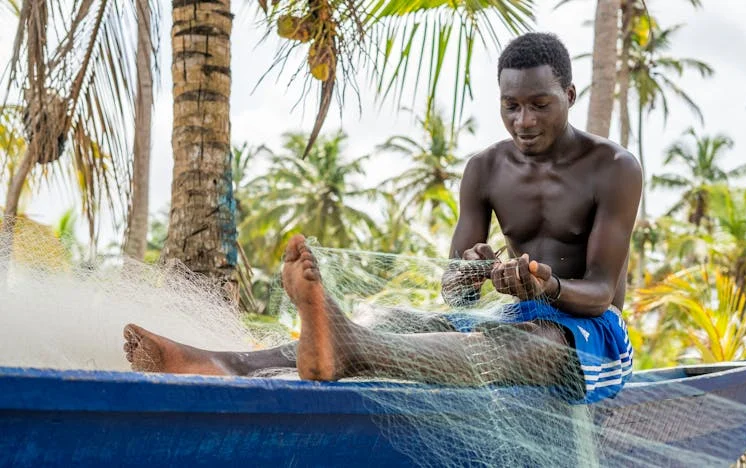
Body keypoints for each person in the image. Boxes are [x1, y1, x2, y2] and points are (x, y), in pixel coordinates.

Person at [123, 32, 642, 403]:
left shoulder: (614, 168)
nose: (523, 122)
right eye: (511, 106)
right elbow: (453, 290)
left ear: (570, 97)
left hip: (588, 339)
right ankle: (223, 364)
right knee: (396, 320)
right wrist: (474, 269)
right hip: (512, 317)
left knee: (508, 346)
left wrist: (548, 287)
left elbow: (600, 292)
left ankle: (347, 348)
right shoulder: (485, 169)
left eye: (540, 105)